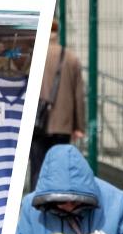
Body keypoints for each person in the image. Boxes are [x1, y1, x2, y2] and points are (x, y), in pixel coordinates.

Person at [29, 19, 86, 190]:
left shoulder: (34, 54)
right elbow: (78, 95)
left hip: (38, 123)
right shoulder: (71, 58)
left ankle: (36, 201)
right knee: (60, 167)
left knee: (37, 166)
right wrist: (79, 126)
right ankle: (57, 197)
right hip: (63, 123)